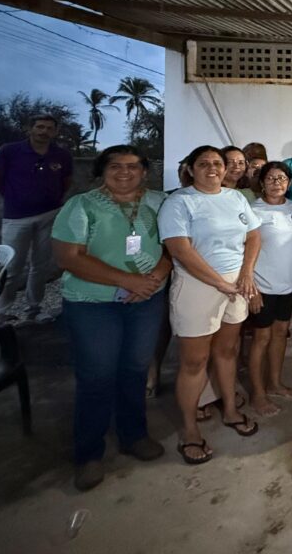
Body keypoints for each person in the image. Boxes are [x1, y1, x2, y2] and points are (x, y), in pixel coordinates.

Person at [51, 145, 171, 491]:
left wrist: (153, 279)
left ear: (144, 171)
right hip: (93, 303)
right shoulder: (81, 206)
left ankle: (134, 435)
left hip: (145, 300)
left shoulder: (161, 203)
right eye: (115, 166)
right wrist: (127, 280)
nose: (124, 172)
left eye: (133, 166)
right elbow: (68, 257)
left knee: (135, 369)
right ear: (102, 171)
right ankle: (89, 453)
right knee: (97, 375)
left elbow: (174, 246)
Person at [158, 145, 262, 465]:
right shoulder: (179, 202)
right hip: (198, 284)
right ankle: (190, 430)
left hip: (237, 283)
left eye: (218, 163)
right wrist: (219, 282)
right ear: (191, 169)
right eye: (203, 164)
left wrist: (246, 274)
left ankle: (229, 409)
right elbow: (180, 249)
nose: (212, 168)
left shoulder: (235, 198)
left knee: (228, 351)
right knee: (195, 361)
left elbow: (254, 236)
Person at [0, 113, 73, 320]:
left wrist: (53, 200)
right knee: (12, 266)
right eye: (40, 127)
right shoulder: (10, 151)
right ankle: (1, 311)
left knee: (41, 265)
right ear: (30, 129)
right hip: (16, 217)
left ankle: (34, 307)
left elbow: (66, 181)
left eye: (49, 128)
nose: (44, 131)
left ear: (55, 132)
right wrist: (16, 199)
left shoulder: (61, 155)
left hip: (49, 215)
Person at [247, 162, 292, 416]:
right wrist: (251, 286)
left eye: (281, 178)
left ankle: (275, 383)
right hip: (262, 286)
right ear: (262, 182)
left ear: (289, 183)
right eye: (270, 178)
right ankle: (258, 394)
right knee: (261, 338)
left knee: (280, 333)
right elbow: (243, 250)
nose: (276, 183)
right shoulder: (253, 210)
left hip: (288, 285)